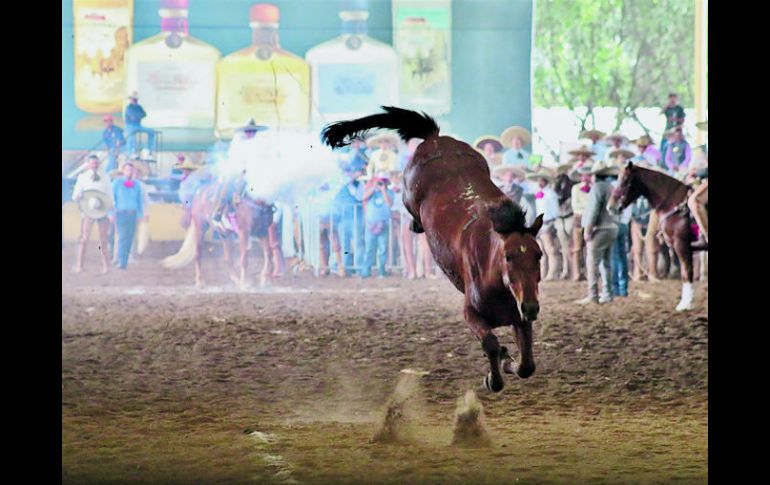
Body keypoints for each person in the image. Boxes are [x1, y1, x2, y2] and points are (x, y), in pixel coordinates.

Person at [576, 162, 619, 305]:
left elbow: (593, 210)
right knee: (606, 262)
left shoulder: (597, 188)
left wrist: (587, 230)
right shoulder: (611, 187)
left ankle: (592, 294)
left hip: (600, 228)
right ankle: (607, 293)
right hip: (612, 227)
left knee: (592, 262)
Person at [212, 119, 268, 227]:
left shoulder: (261, 144)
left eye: (253, 131)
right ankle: (219, 208)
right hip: (240, 171)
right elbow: (235, 159)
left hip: (257, 171)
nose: (250, 133)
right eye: (248, 131)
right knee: (228, 182)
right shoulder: (238, 144)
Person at [72, 155, 113, 274]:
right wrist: (78, 197)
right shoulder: (83, 177)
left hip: (103, 210)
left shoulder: (105, 178)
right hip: (88, 211)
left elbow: (110, 196)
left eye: (96, 163)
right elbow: (75, 195)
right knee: (84, 239)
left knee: (103, 240)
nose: (94, 165)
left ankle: (106, 266)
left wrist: (110, 210)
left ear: (98, 164)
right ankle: (80, 265)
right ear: (88, 164)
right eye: (92, 163)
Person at [525, 168, 561, 280]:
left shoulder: (550, 194)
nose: (539, 182)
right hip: (538, 224)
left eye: (542, 180)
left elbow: (555, 211)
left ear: (545, 182)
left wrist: (552, 223)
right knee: (541, 251)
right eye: (538, 180)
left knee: (550, 249)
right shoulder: (537, 194)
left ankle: (552, 273)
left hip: (547, 223)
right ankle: (543, 273)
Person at [358, 171, 395, 278]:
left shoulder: (390, 192)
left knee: (382, 249)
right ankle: (366, 271)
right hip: (370, 225)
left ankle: (381, 271)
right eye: (380, 181)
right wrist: (374, 187)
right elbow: (363, 198)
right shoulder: (371, 191)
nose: (381, 183)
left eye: (383, 181)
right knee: (369, 248)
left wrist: (383, 191)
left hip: (383, 224)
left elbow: (389, 203)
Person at [110, 161, 146, 269]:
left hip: (133, 213)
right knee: (122, 236)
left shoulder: (137, 185)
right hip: (121, 213)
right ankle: (121, 260)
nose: (129, 172)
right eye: (127, 169)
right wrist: (111, 213)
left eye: (131, 170)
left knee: (130, 237)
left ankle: (124, 260)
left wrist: (140, 214)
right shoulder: (116, 183)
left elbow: (139, 201)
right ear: (123, 171)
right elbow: (112, 199)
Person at [334, 158, 367, 276]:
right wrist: (349, 179)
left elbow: (359, 197)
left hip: (356, 218)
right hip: (343, 219)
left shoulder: (360, 184)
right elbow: (336, 193)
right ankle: (346, 268)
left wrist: (353, 180)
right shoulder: (342, 183)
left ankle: (359, 268)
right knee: (345, 245)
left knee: (358, 244)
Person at [570, 162, 593, 281]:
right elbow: (575, 205)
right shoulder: (575, 188)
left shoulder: (594, 188)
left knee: (589, 247)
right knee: (577, 247)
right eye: (584, 175)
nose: (586, 178)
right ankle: (576, 273)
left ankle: (590, 273)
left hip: (590, 219)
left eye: (588, 175)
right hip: (579, 218)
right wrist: (588, 208)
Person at [124, 92, 156, 157]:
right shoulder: (129, 107)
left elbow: (144, 114)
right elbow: (133, 117)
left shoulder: (139, 107)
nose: (135, 100)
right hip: (130, 126)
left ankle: (150, 150)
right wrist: (138, 115)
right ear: (131, 99)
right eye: (133, 99)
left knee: (151, 131)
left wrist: (137, 116)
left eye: (135, 99)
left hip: (138, 126)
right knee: (131, 136)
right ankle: (131, 152)